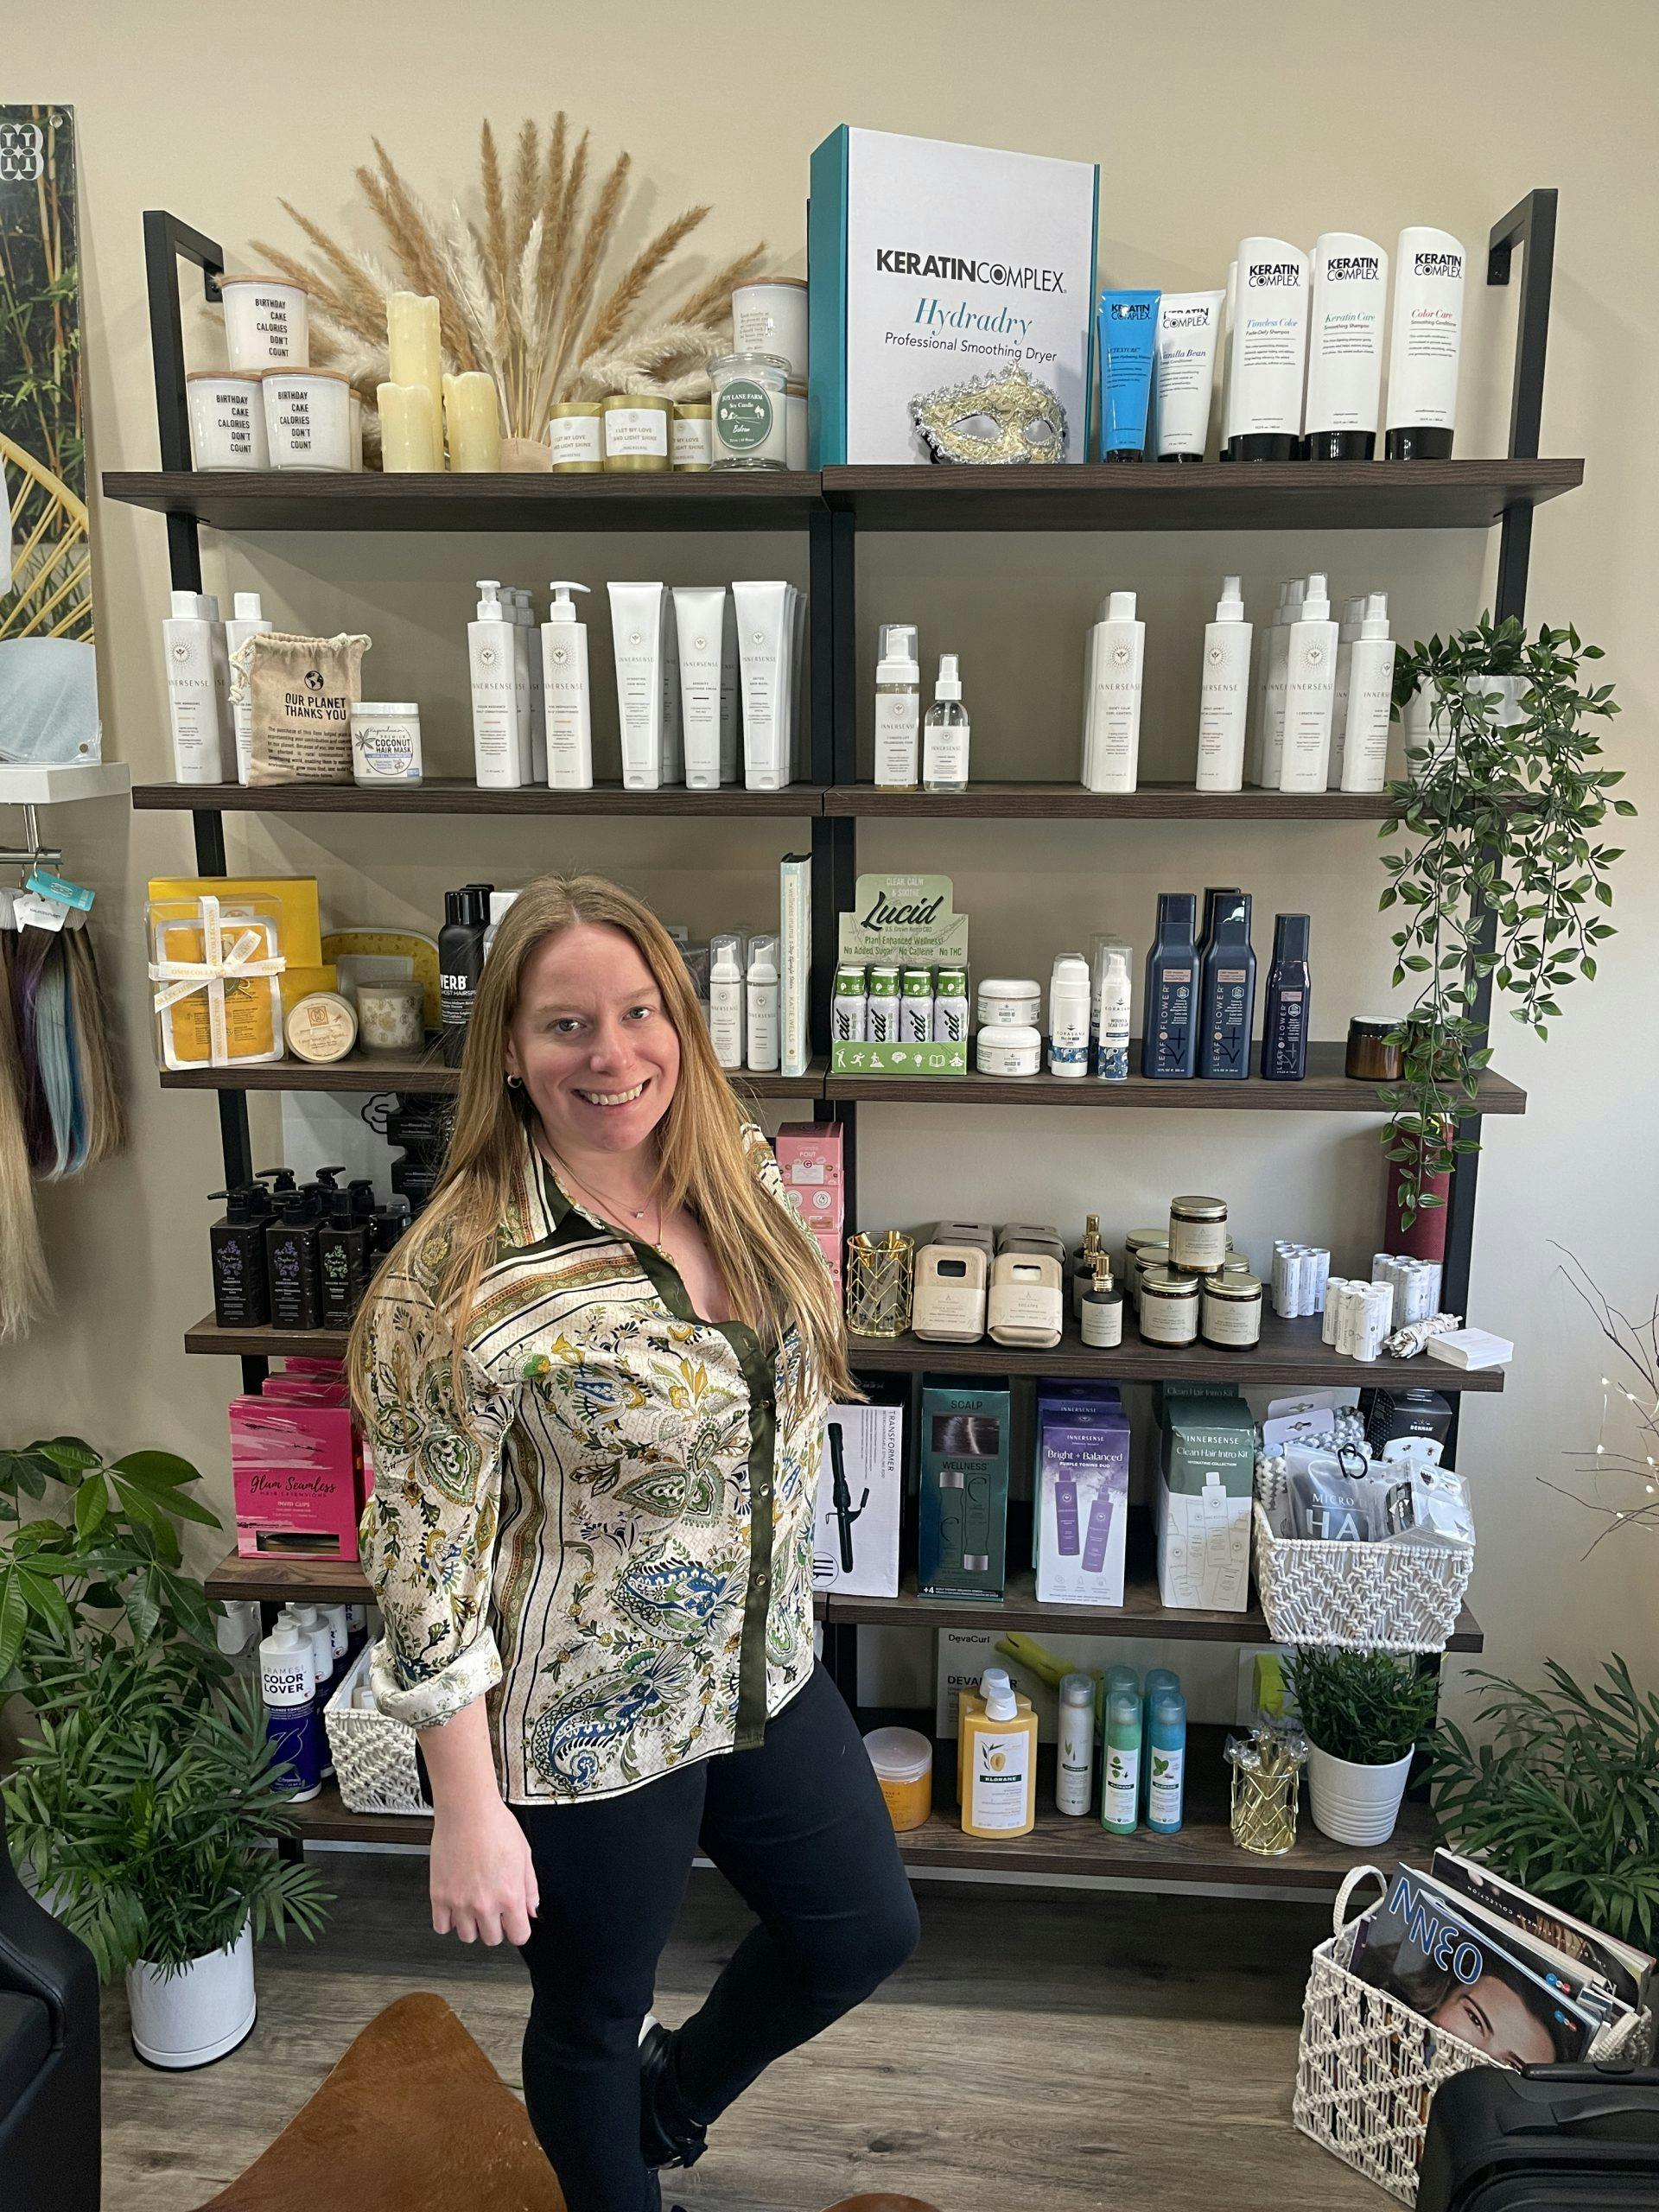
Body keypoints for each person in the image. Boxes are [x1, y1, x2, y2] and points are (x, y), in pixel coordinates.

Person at [349, 874, 918, 2212]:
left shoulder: (740, 1167)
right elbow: (422, 1570)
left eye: (639, 1012)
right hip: (581, 1722)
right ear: (509, 1050)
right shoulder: (455, 1282)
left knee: (858, 1931)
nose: (611, 1055)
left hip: (762, 1668)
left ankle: (668, 2105)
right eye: (566, 1025)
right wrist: (467, 1806)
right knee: (592, 2018)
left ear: (680, 1021)